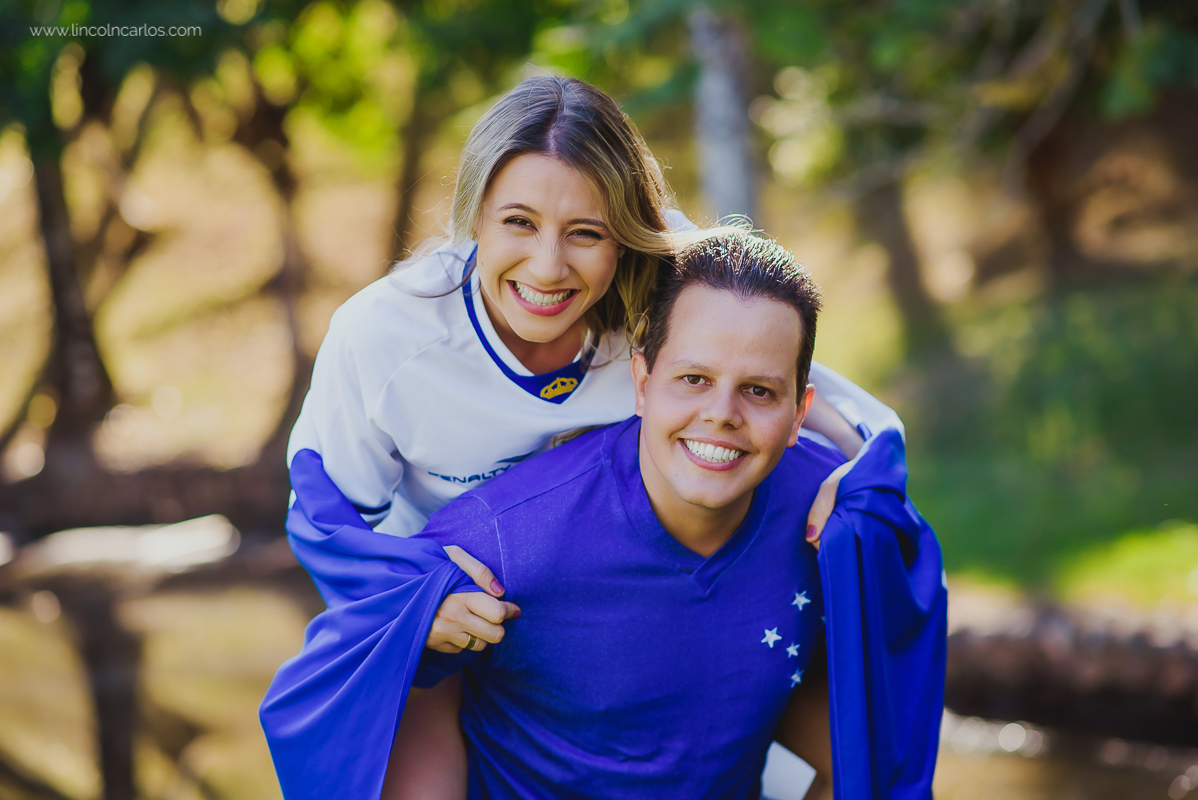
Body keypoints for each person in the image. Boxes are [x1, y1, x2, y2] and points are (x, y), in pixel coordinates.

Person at [273, 75, 901, 798]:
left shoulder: (664, 289)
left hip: (604, 597)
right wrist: (416, 602)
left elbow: (823, 401)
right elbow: (324, 518)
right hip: (447, 610)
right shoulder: (386, 335)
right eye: (518, 223)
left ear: (624, 235)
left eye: (586, 233)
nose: (548, 266)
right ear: (473, 215)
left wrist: (853, 477)